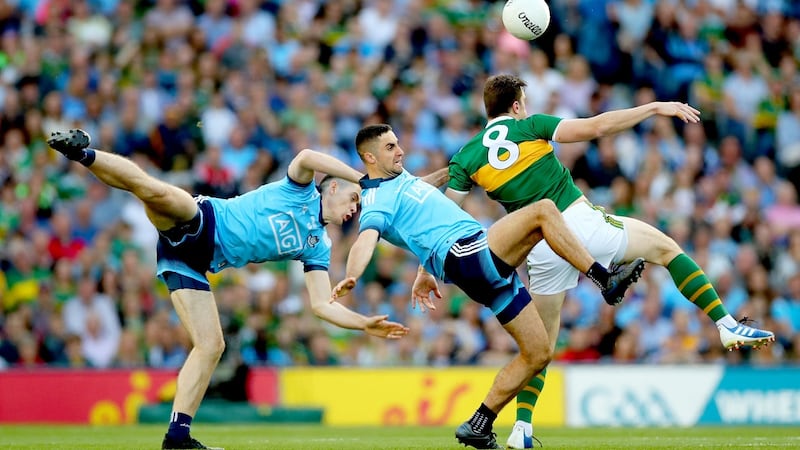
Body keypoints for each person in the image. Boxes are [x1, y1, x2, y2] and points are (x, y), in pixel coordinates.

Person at [440, 74, 776, 448]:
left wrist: (426, 270)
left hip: (537, 248)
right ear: (516, 106)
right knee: (666, 249)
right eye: (524, 101)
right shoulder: (530, 126)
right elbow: (598, 126)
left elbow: (444, 218)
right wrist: (652, 107)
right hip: (575, 225)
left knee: (538, 350)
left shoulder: (467, 155)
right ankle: (726, 324)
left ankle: (521, 429)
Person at [47, 129, 410, 450]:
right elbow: (306, 157)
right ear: (333, 187)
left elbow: (321, 304)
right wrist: (364, 180)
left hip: (190, 263)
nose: (354, 210)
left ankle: (177, 437)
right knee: (152, 190)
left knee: (211, 345)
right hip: (203, 221)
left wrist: (363, 323)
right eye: (353, 201)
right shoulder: (298, 190)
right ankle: (83, 153)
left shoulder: (319, 244)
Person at [331, 124, 645, 449]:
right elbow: (365, 239)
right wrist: (351, 275)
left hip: (479, 272)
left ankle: (479, 424)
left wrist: (456, 170)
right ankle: (604, 278)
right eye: (390, 147)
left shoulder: (399, 183)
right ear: (369, 156)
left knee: (539, 353)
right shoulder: (376, 200)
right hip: (465, 253)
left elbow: (421, 192)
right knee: (543, 211)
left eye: (398, 144)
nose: (400, 151)